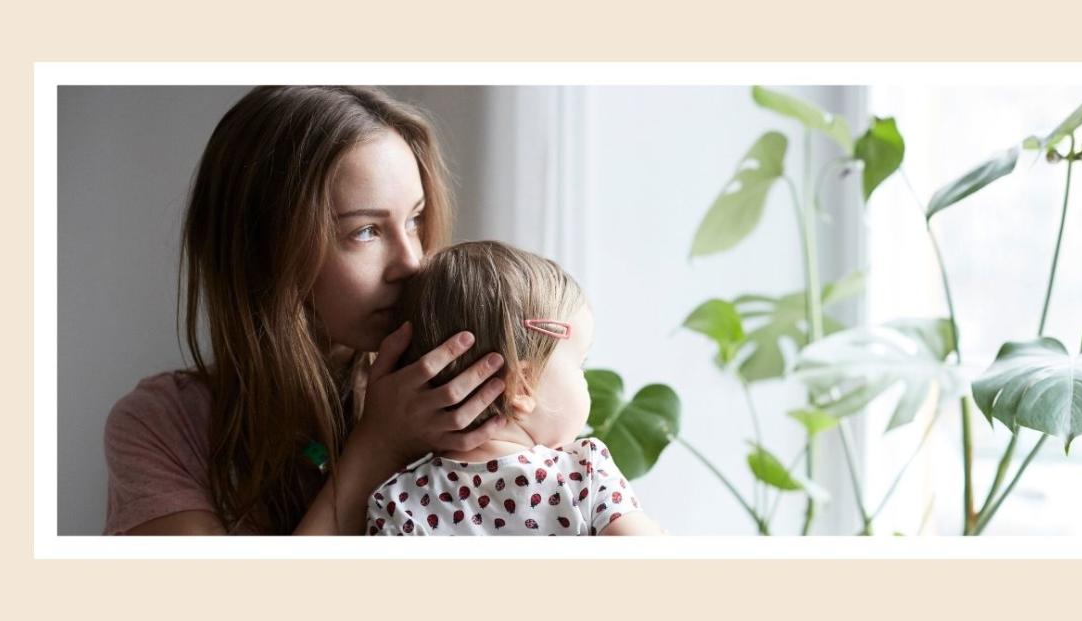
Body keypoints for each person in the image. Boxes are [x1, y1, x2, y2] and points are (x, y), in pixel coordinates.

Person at [102, 86, 509, 535]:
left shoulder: (456, 396)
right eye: (367, 231)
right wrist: (377, 449)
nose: (412, 261)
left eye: (414, 219)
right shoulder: (163, 426)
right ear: (264, 252)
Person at [364, 241, 663, 535]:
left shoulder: (398, 505)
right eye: (580, 365)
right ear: (521, 386)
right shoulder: (584, 473)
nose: (585, 380)